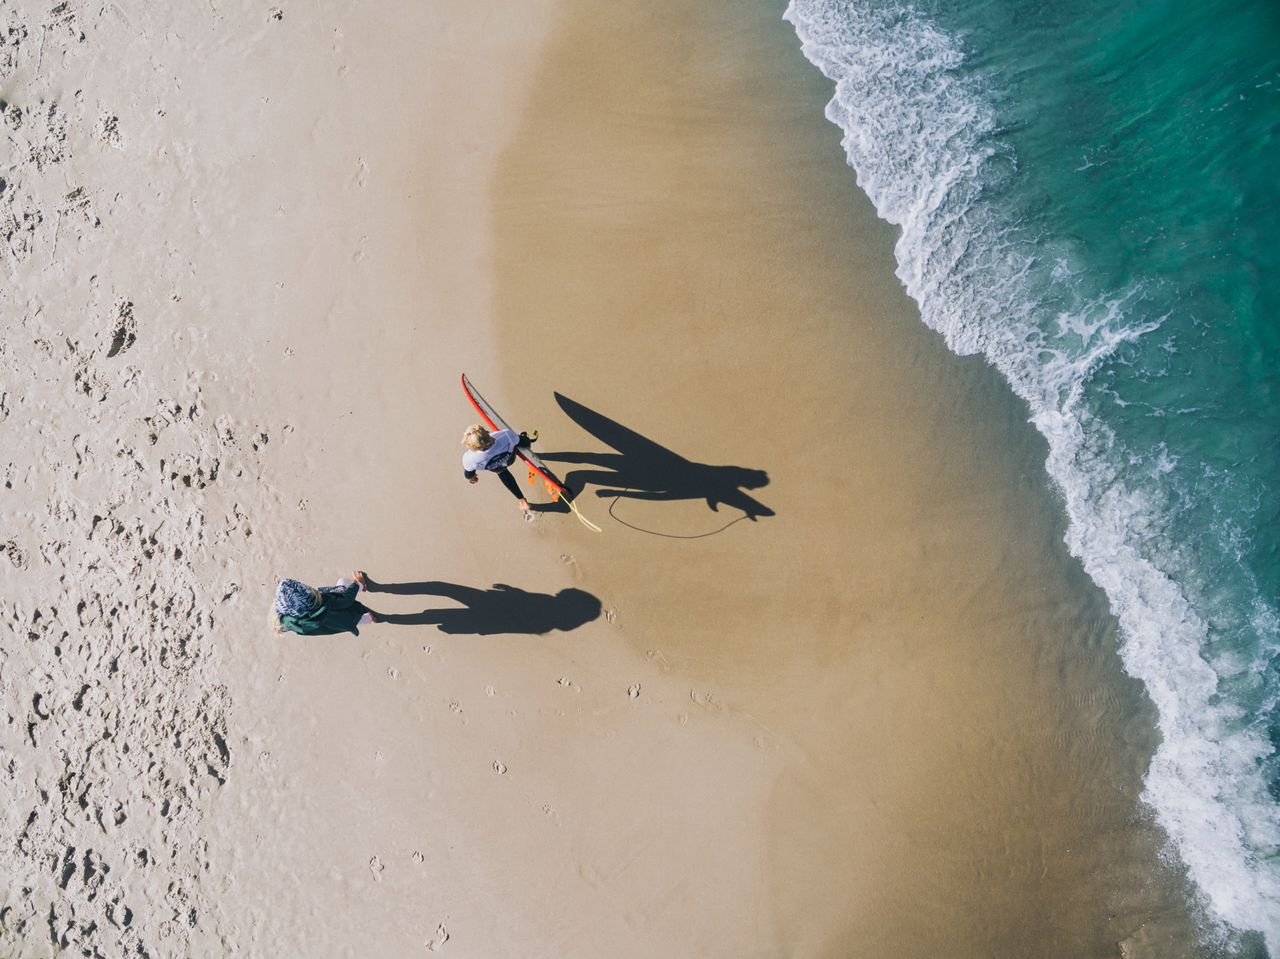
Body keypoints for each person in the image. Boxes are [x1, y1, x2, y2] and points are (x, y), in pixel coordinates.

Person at [273, 570, 381, 636]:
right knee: (343, 582)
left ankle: (370, 619)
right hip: (342, 615)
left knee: (357, 621)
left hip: (336, 625)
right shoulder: (326, 604)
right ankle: (362, 586)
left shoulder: (290, 622)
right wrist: (356, 584)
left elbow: (281, 626)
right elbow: (346, 601)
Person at [461, 424, 538, 512]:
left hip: (496, 467)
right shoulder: (505, 435)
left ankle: (522, 501)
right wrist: (524, 439)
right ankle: (521, 440)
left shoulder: (469, 459)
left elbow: (469, 474)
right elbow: (524, 443)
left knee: (502, 472)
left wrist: (473, 478)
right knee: (518, 440)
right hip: (510, 459)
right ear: (486, 432)